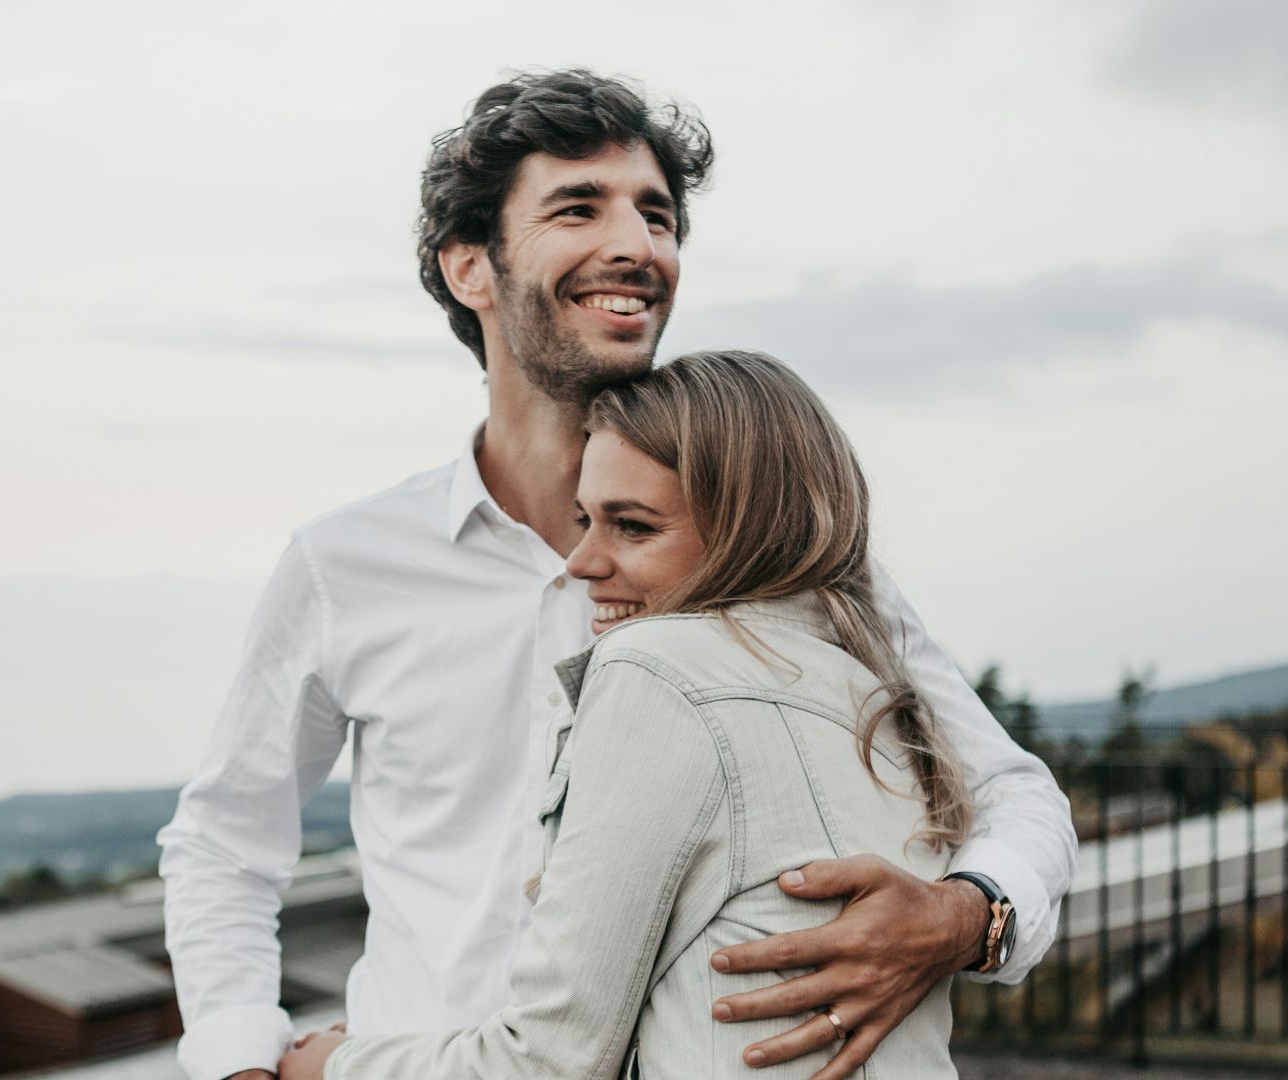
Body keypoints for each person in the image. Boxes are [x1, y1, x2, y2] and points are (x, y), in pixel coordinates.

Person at [157, 70, 1076, 1080]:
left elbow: (1011, 792)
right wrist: (242, 1060)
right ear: (470, 267)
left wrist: (964, 917)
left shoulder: (780, 550)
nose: (638, 245)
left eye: (657, 215)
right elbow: (225, 844)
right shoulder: (345, 565)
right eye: (578, 208)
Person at [273, 349, 984, 1079]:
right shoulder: (878, 689)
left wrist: (331, 1066)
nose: (581, 561)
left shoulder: (655, 670)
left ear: (750, 529)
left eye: (633, 527)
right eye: (586, 520)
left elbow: (550, 1061)